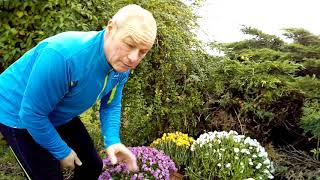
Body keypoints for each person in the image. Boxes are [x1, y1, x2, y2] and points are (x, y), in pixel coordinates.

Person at [0, 4, 157, 180]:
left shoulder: (121, 65)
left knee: (92, 166)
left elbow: (111, 103)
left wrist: (113, 139)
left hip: (56, 109)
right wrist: (61, 151)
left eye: (142, 52)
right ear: (110, 28)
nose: (133, 58)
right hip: (17, 113)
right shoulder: (64, 56)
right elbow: (31, 114)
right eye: (129, 44)